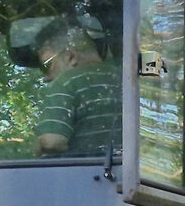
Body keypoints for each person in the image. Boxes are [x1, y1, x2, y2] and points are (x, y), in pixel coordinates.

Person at [35, 23, 121, 158]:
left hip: (82, 175)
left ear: (71, 57)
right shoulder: (126, 80)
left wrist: (37, 146)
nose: (46, 77)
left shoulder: (67, 82)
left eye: (47, 66)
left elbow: (52, 142)